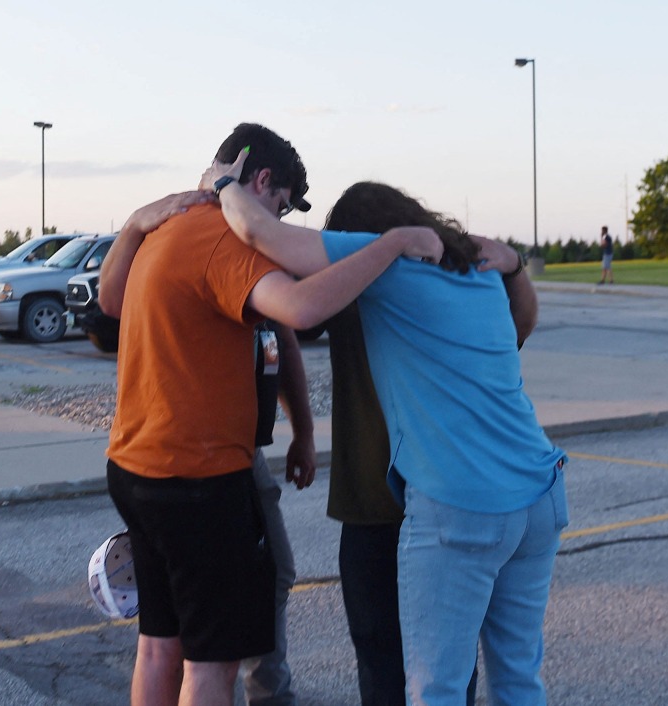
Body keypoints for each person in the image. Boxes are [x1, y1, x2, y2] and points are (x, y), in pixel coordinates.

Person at [99, 123, 442, 706]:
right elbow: (302, 310)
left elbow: (112, 303)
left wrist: (133, 223)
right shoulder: (223, 239)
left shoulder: (162, 228)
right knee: (213, 665)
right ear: (260, 181)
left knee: (159, 645)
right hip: (199, 482)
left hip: (134, 468)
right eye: (281, 207)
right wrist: (385, 247)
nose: (280, 226)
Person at [208, 153, 568, 706]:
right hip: (538, 494)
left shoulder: (386, 258)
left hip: (460, 502)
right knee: (518, 678)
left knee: (434, 687)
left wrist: (223, 183)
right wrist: (515, 263)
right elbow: (520, 326)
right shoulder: (475, 273)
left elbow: (260, 233)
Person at [326, 251, 533, 704]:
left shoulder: (339, 285)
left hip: (393, 503)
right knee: (450, 666)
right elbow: (519, 327)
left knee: (397, 664)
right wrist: (514, 268)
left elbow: (287, 316)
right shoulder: (440, 291)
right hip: (438, 496)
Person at [242, 319, 315, 706]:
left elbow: (283, 340)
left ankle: (271, 693)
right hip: (202, 453)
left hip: (242, 451)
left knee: (273, 571)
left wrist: (303, 433)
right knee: (200, 602)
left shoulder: (260, 267)